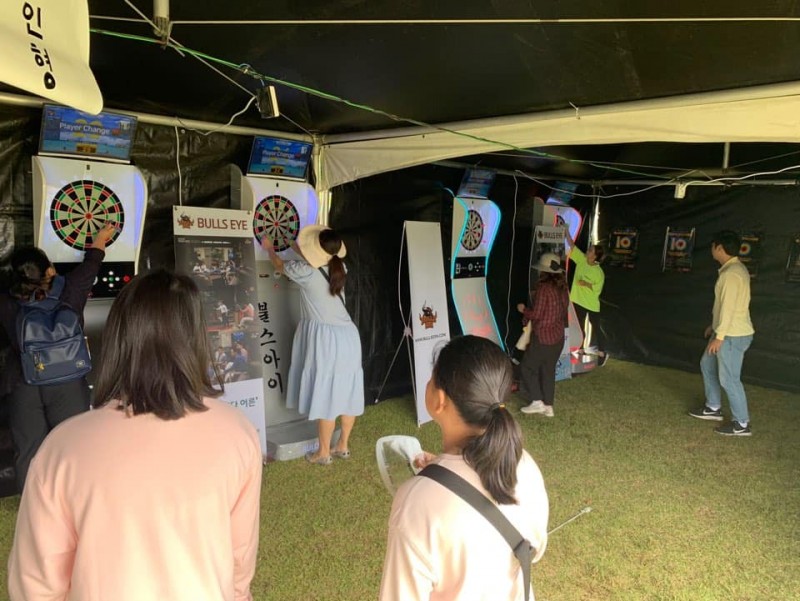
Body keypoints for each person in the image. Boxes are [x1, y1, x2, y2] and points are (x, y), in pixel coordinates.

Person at [7, 270, 262, 601]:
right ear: (197, 338)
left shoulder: (63, 446)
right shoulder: (238, 432)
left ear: (117, 338)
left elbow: (36, 584)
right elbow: (239, 563)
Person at [379, 335, 549, 601]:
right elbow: (534, 550)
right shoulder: (524, 464)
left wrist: (434, 485)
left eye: (432, 378)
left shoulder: (417, 502)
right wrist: (445, 473)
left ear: (440, 400)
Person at [0, 222, 116, 492]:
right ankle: (73, 503)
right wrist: (101, 236)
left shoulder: (6, 302)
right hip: (68, 384)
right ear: (50, 270)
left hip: (23, 384)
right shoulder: (71, 289)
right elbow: (92, 263)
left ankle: (32, 507)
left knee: (28, 453)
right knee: (74, 448)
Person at [261, 226, 364, 465]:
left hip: (326, 340)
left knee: (327, 394)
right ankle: (343, 445)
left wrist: (269, 248)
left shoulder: (305, 272)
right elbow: (313, 258)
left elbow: (279, 265)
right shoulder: (340, 267)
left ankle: (323, 453)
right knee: (347, 391)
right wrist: (294, 244)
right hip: (349, 337)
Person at [689, 230, 755, 436]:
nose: (711, 250)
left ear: (719, 248)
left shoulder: (731, 274)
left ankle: (741, 423)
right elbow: (727, 306)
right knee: (707, 364)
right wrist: (714, 326)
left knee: (729, 379)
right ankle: (713, 407)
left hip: (732, 335)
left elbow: (729, 308)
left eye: (712, 246)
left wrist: (719, 337)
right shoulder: (733, 269)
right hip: (725, 331)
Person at [517, 253, 570, 417]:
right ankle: (548, 406)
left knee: (527, 367)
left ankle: (537, 401)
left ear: (544, 271)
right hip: (558, 338)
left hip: (543, 337)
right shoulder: (563, 288)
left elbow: (537, 314)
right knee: (548, 371)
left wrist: (523, 310)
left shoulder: (544, 288)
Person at [564, 224, 608, 365]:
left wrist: (586, 284)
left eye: (590, 251)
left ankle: (602, 352)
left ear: (595, 256)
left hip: (592, 304)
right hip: (578, 301)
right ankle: (581, 349)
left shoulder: (599, 272)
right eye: (589, 250)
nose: (587, 251)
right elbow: (572, 245)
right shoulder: (581, 259)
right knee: (579, 326)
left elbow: (597, 289)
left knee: (596, 327)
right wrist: (565, 230)